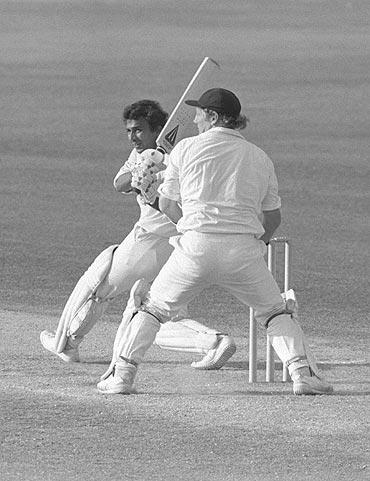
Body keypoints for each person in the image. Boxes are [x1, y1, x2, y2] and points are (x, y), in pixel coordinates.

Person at [97, 88, 334, 396]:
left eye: (198, 114)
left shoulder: (185, 150)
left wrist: (191, 230)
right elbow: (273, 218)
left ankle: (122, 376)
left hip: (195, 249)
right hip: (243, 252)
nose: (195, 120)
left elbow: (168, 205)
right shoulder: (260, 157)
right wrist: (255, 245)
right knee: (275, 312)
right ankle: (303, 375)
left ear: (212, 117)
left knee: (153, 309)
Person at [40, 99, 236, 370]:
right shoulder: (143, 153)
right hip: (181, 246)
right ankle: (214, 342)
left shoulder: (178, 156)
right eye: (129, 131)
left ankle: (68, 343)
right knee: (160, 312)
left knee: (101, 286)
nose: (133, 137)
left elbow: (170, 206)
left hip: (149, 241)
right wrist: (138, 173)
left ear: (158, 129)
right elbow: (118, 183)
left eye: (139, 130)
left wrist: (152, 183)